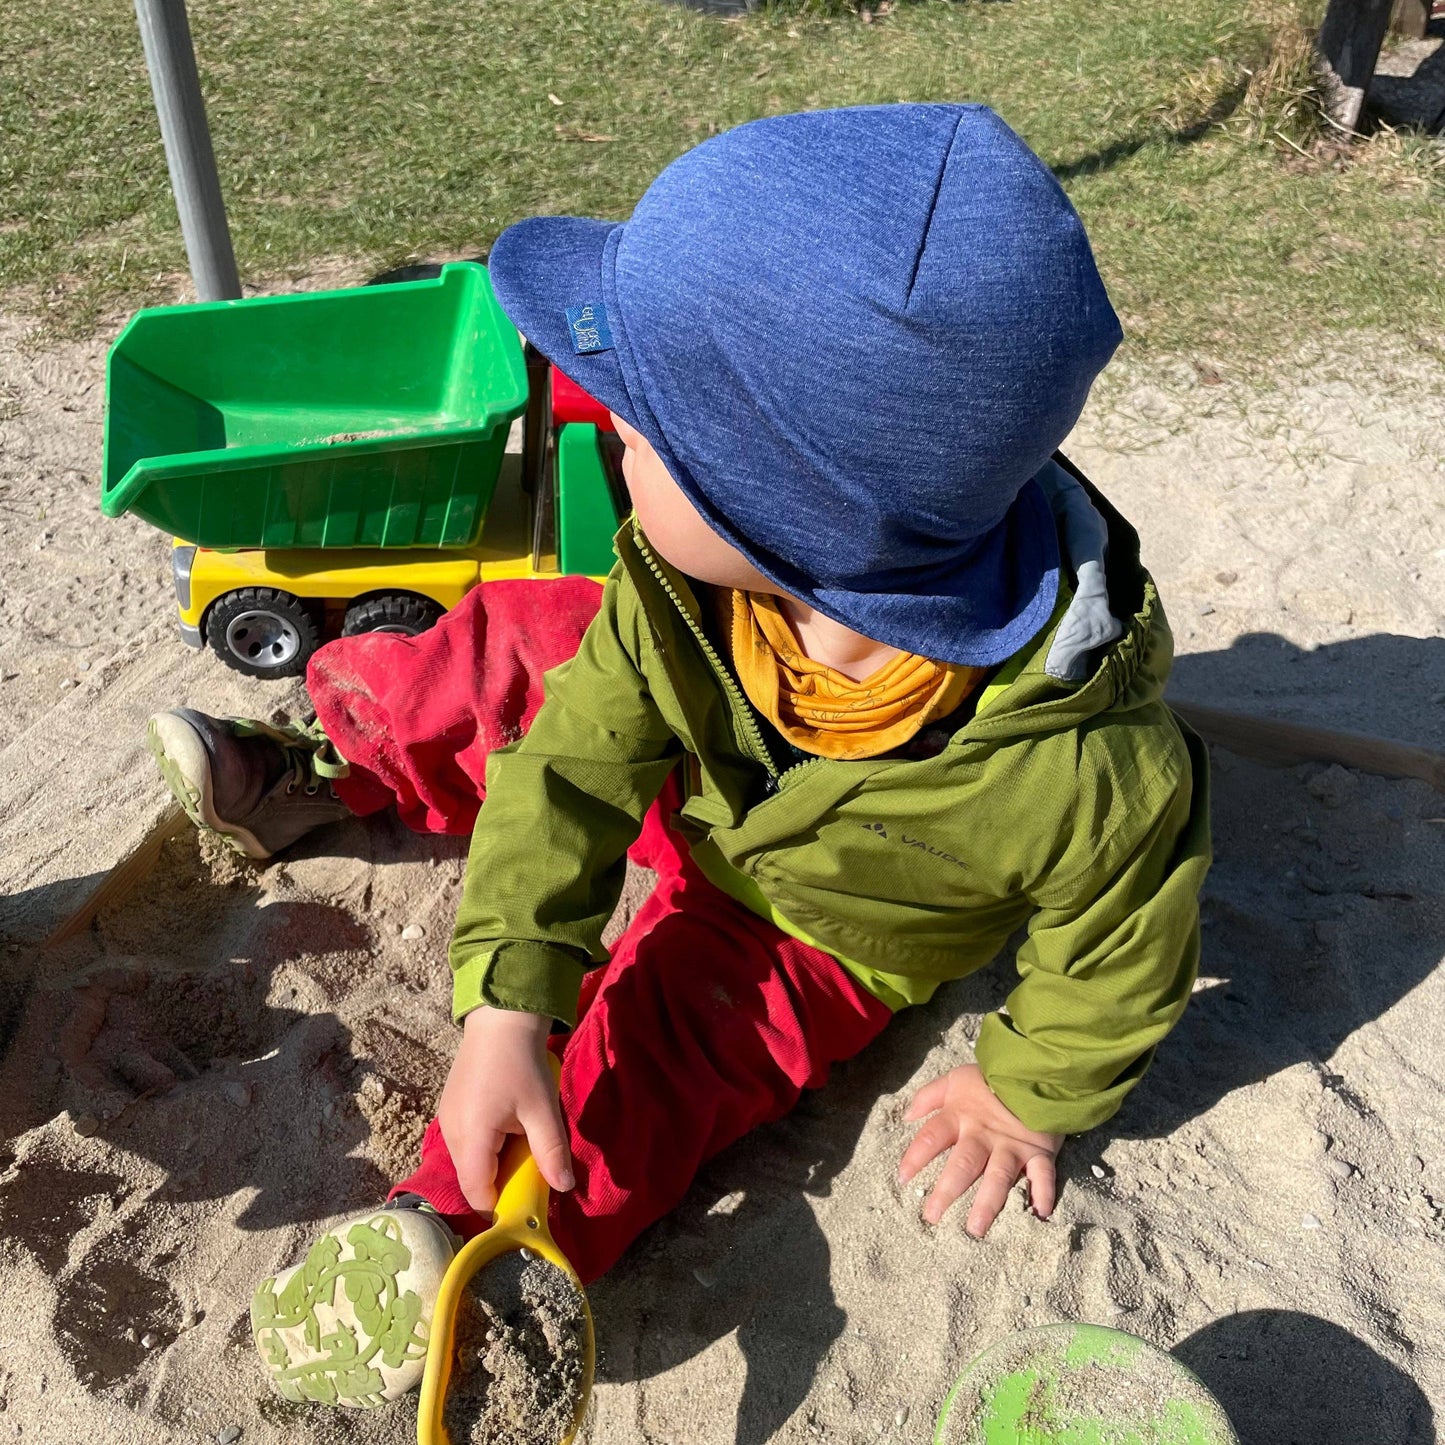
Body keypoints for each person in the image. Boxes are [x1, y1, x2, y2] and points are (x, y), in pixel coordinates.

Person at [148, 103, 1211, 1411]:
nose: (604, 436)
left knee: (661, 1057)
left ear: (784, 511)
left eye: (639, 433)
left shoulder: (1085, 772)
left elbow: (1120, 956)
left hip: (814, 924)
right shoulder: (686, 579)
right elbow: (575, 767)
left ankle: (457, 1242)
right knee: (517, 651)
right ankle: (333, 760)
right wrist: (503, 995)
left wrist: (1026, 1094)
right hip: (697, 772)